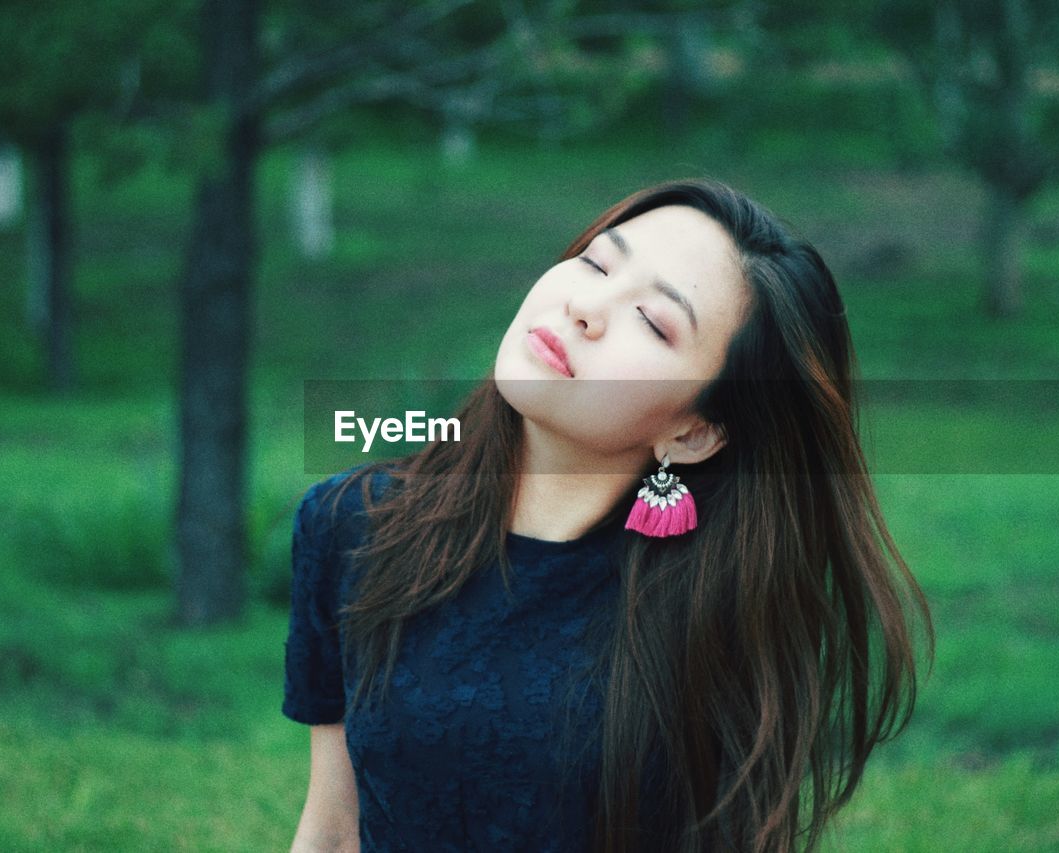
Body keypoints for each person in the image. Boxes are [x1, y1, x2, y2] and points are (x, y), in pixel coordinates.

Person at [282, 178, 933, 853]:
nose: (586, 306)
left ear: (694, 432)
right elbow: (333, 829)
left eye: (654, 321)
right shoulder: (352, 524)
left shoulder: (715, 608)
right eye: (596, 262)